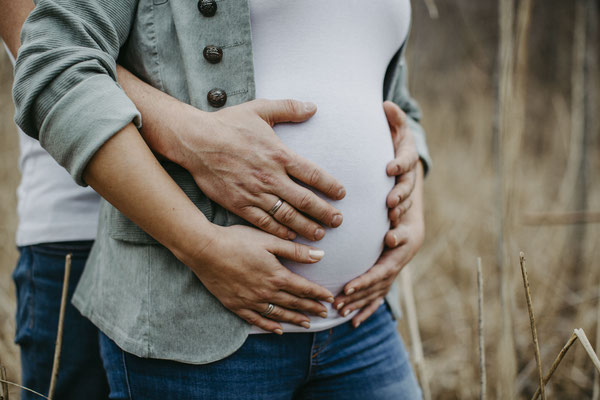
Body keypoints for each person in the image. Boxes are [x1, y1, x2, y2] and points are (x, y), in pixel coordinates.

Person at [12, 0, 430, 398]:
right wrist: (203, 244)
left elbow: (394, 98)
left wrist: (414, 192)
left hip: (361, 321)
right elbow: (56, 60)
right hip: (198, 325)